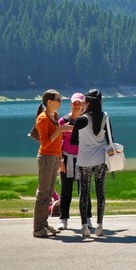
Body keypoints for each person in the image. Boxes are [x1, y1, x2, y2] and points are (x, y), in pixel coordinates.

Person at [32, 89, 72, 238]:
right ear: (49, 102)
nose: (60, 102)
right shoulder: (42, 119)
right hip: (46, 158)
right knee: (43, 194)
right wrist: (60, 129)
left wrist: (60, 159)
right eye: (58, 100)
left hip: (54, 157)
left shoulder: (54, 115)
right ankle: (38, 228)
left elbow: (57, 141)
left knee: (49, 193)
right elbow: (45, 143)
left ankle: (44, 224)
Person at [72, 88, 111, 237]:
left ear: (87, 102)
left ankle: (84, 226)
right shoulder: (105, 117)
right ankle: (100, 226)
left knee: (84, 193)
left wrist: (85, 140)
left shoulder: (81, 119)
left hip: (84, 161)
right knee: (100, 192)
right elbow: (110, 139)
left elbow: (73, 141)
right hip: (100, 160)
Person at [57, 92, 89, 230]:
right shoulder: (63, 121)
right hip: (66, 158)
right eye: (74, 103)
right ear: (70, 104)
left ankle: (87, 219)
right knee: (66, 190)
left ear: (83, 105)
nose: (76, 106)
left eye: (79, 103)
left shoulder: (87, 120)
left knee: (84, 190)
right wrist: (60, 160)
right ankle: (63, 219)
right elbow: (58, 141)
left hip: (83, 159)